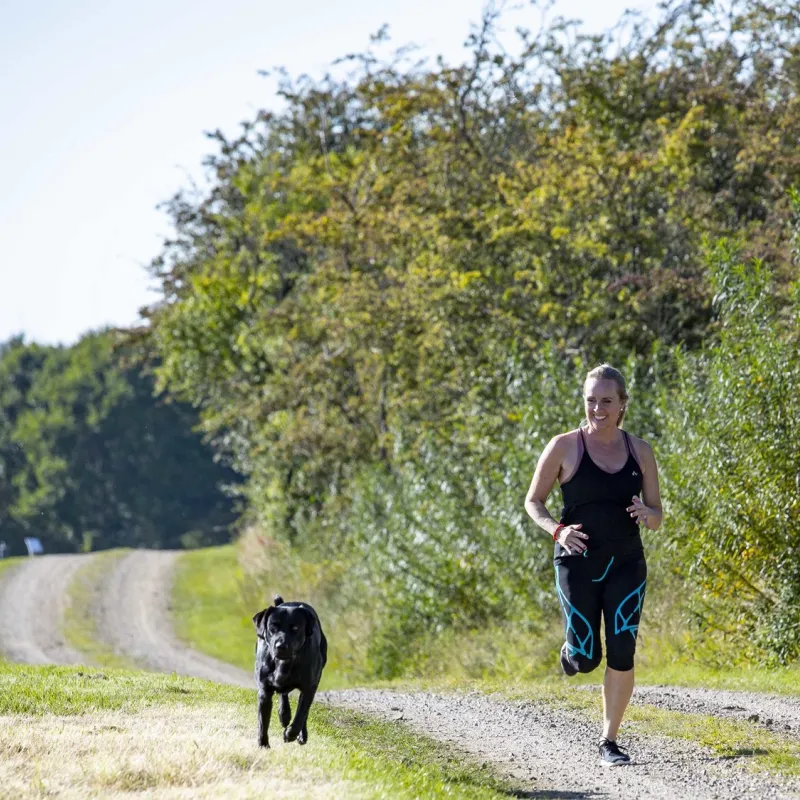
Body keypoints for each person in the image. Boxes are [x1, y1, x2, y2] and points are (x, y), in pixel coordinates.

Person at [524, 364, 662, 766]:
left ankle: (609, 741)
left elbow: (657, 514)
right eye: (590, 400)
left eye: (606, 401)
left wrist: (645, 512)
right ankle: (572, 649)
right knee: (586, 659)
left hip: (626, 563)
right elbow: (534, 501)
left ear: (622, 405)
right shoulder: (564, 446)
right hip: (577, 561)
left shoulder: (640, 451)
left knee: (623, 648)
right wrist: (557, 531)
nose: (597, 409)